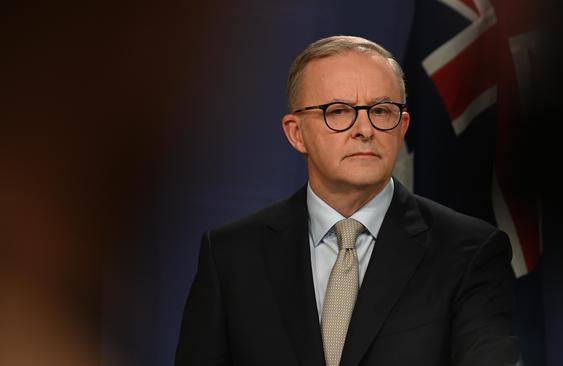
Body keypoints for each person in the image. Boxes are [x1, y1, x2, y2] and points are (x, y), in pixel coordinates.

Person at [175, 35, 518, 366]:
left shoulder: (469, 252)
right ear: (296, 133)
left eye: (381, 111)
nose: (364, 129)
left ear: (402, 127)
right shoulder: (231, 255)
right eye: (338, 111)